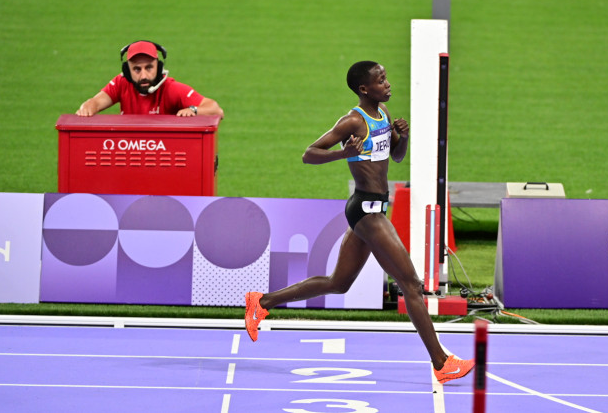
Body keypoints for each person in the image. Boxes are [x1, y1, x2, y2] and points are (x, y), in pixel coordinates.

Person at [244, 61, 474, 384]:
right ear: (364, 89)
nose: (388, 84)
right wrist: (344, 155)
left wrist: (401, 138)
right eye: (381, 81)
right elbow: (309, 154)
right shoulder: (352, 121)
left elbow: (394, 158)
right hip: (367, 212)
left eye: (386, 78)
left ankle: (262, 301)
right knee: (410, 284)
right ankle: (441, 362)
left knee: (338, 283)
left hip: (373, 207)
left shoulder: (383, 115)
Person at [75, 40, 223, 117]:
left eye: (149, 68)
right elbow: (94, 103)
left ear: (158, 67)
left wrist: (193, 110)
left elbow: (216, 110)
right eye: (137, 69)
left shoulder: (171, 89)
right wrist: (88, 107)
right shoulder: (121, 83)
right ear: (127, 71)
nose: (144, 76)